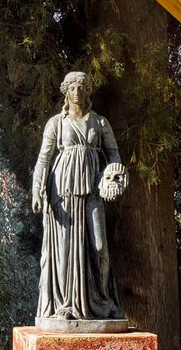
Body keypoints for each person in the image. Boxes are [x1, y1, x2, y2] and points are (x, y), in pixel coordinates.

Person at [31, 70, 127, 321]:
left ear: (87, 91)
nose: (77, 92)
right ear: (66, 91)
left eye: (82, 87)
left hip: (94, 186)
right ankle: (65, 305)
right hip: (62, 189)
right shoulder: (56, 123)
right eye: (73, 87)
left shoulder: (100, 122)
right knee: (64, 250)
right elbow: (44, 159)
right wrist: (37, 190)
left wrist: (112, 175)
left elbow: (114, 155)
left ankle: (103, 302)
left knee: (99, 247)